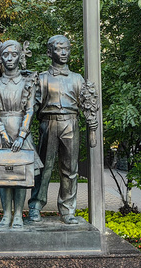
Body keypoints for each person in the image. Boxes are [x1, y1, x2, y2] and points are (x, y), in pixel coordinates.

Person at [28, 35, 98, 224]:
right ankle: (35, 206)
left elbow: (88, 105)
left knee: (70, 169)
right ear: (49, 52)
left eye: (66, 48)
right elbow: (32, 106)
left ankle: (67, 210)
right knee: (43, 168)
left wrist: (92, 126)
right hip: (48, 123)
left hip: (71, 124)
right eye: (59, 49)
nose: (64, 52)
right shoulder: (42, 78)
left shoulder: (77, 79)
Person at [0, 40, 42, 228]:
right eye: (6, 55)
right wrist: (2, 132)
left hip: (21, 132)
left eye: (14, 54)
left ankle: (18, 215)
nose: (10, 58)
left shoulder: (28, 81)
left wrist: (22, 135)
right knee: (3, 175)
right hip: (1, 133)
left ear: (20, 57)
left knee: (20, 174)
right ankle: (6, 214)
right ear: (0, 58)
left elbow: (30, 110)